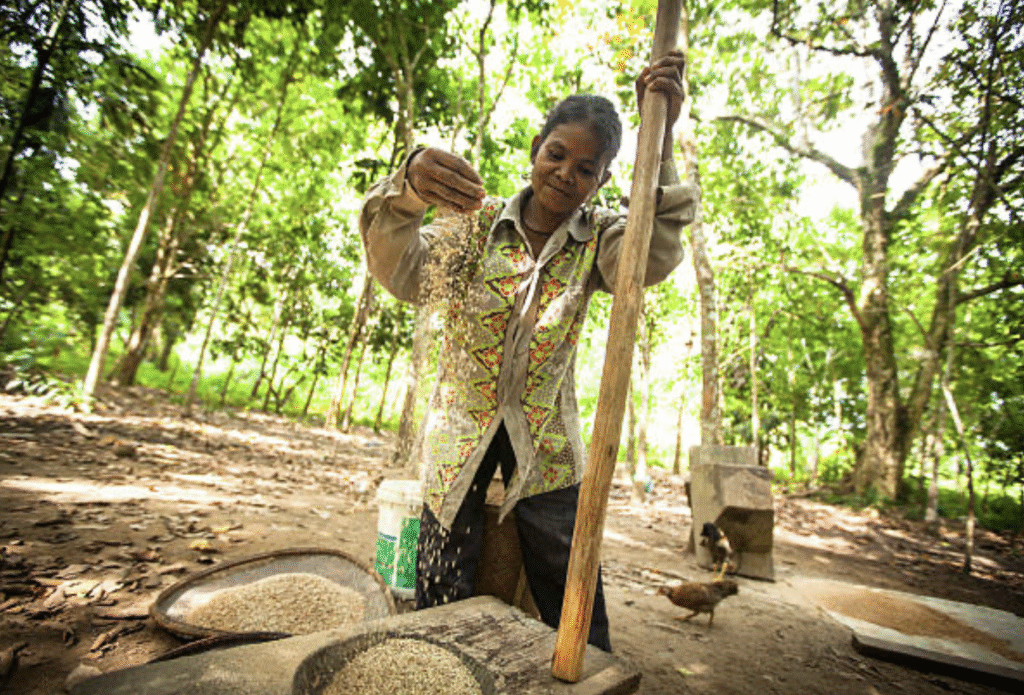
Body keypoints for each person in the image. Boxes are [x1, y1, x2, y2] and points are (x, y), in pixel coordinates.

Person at [359, 50, 696, 651]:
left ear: (603, 181)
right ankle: (438, 666)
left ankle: (590, 669)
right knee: (441, 571)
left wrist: (662, 134)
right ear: (536, 150)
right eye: (556, 155)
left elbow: (648, 258)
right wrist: (408, 189)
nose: (565, 174)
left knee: (568, 573)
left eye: (585, 168)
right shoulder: (475, 224)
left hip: (544, 432)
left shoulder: (601, 239)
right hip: (458, 425)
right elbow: (405, 270)